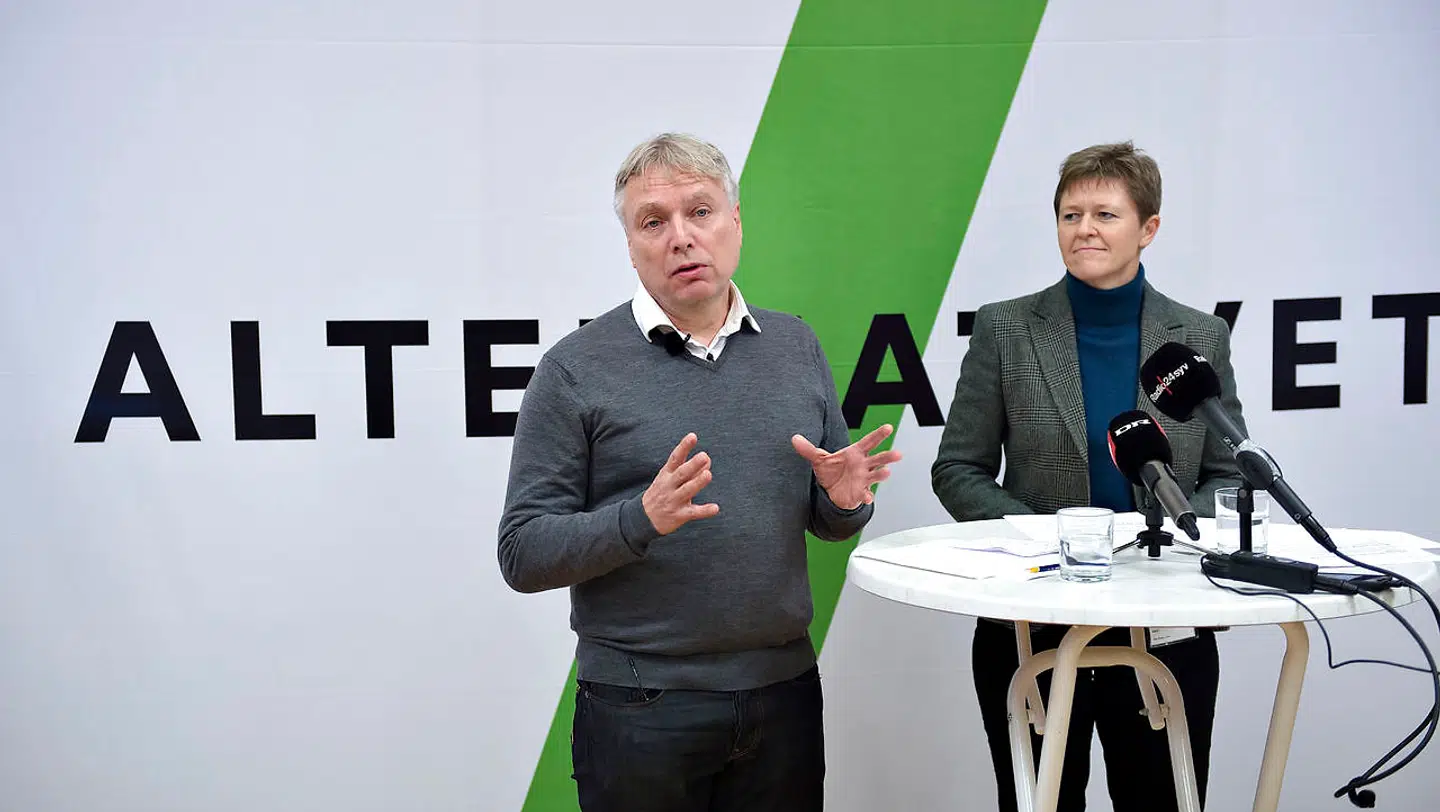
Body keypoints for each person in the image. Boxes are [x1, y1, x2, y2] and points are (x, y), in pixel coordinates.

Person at [498, 132, 900, 812]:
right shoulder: (573, 370)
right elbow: (522, 553)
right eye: (653, 222)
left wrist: (841, 502)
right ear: (631, 245)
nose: (681, 237)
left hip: (783, 693)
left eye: (701, 211)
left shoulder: (795, 345)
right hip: (639, 705)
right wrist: (639, 520)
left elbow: (830, 524)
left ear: (735, 222)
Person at [931, 141, 1247, 811]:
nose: (1084, 230)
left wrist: (1172, 537)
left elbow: (1230, 476)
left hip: (1166, 622)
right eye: (1070, 215)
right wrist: (1042, 540)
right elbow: (958, 468)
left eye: (1105, 214)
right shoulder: (1005, 329)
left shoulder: (1199, 337)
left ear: (1148, 228)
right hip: (1032, 625)